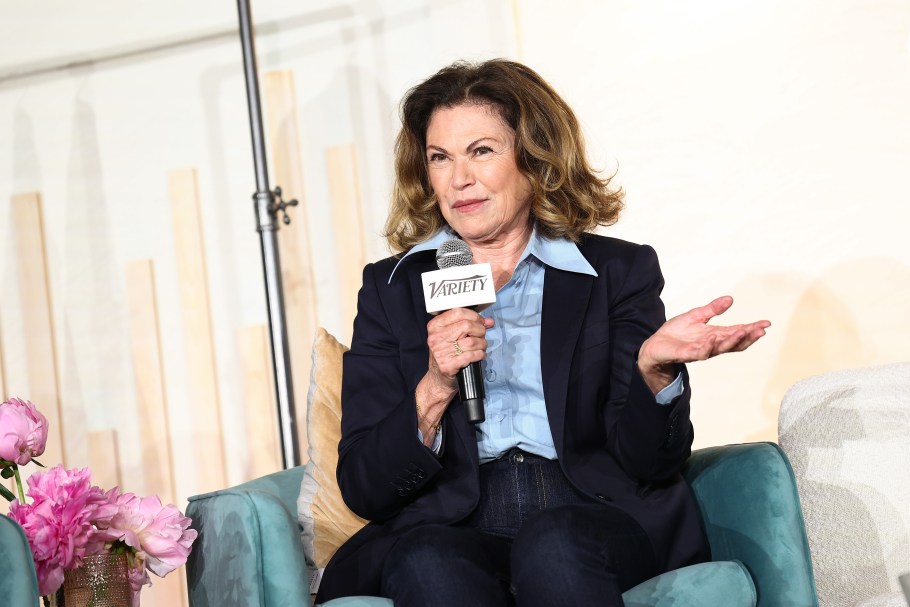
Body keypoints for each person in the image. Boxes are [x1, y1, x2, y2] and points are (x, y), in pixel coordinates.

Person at [315, 59, 770, 606]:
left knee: (552, 544)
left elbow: (651, 463)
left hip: (590, 510)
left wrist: (654, 371)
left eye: (481, 151)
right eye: (440, 158)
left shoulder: (616, 273)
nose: (460, 179)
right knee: (425, 559)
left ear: (534, 158)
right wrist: (434, 387)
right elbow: (365, 485)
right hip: (454, 520)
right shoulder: (391, 289)